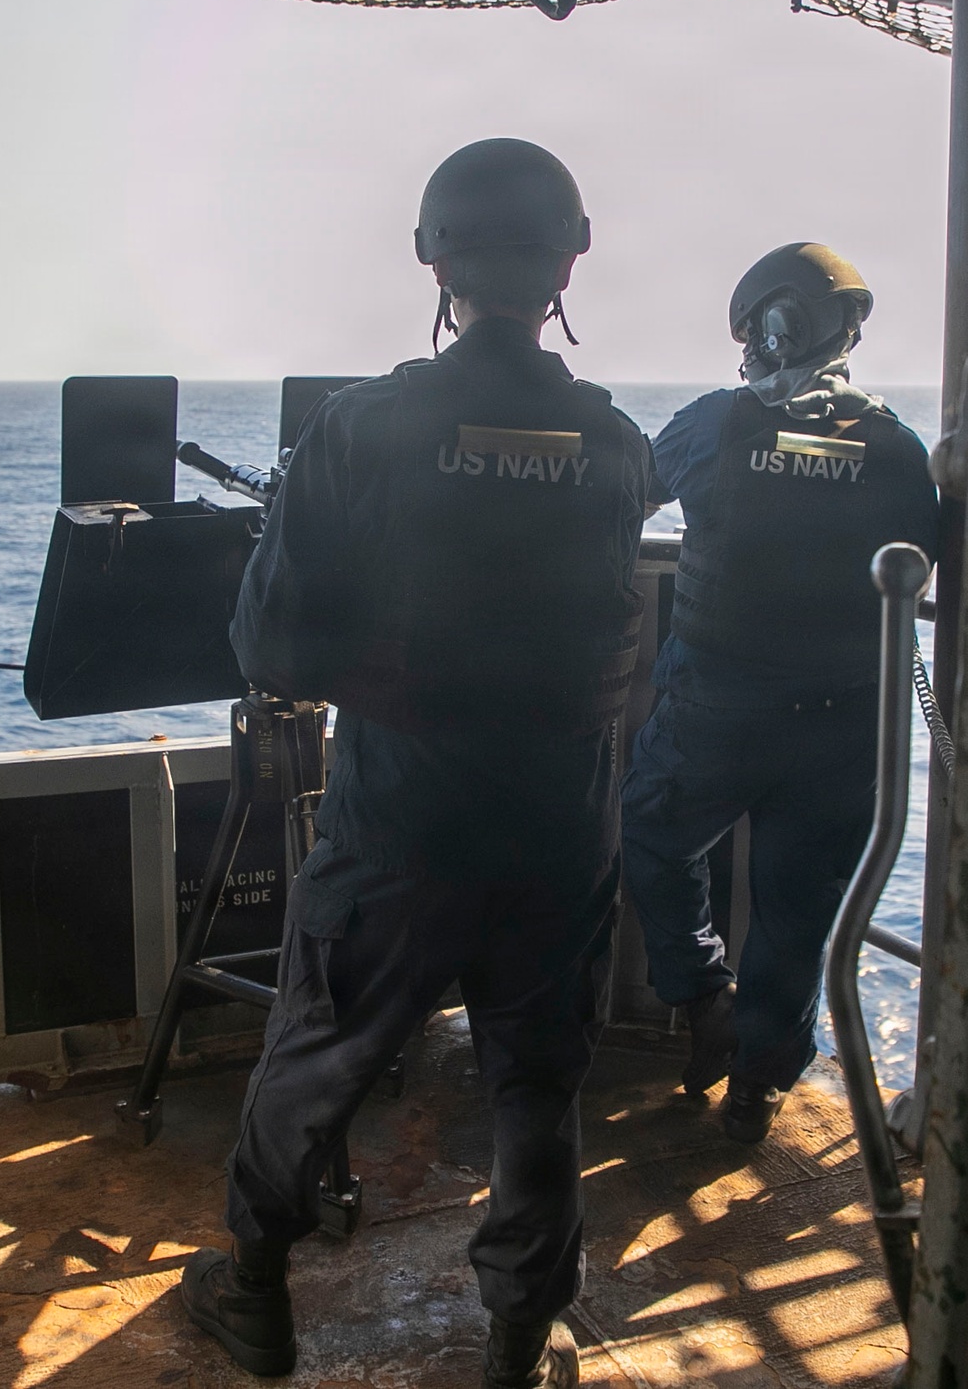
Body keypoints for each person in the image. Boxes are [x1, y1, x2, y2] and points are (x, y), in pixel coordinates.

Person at [180, 138, 651, 1384]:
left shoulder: (364, 426)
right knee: (536, 1085)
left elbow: (271, 647)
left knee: (321, 1051)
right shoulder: (618, 443)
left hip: (404, 824)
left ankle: (255, 1291)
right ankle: (516, 1343)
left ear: (434, 262)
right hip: (561, 829)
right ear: (568, 263)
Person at [620, 242, 939, 1144]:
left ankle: (701, 996)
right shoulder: (896, 448)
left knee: (651, 832)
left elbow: (629, 497)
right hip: (845, 729)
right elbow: (924, 558)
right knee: (799, 914)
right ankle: (758, 1087)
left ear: (768, 328)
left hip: (715, 712)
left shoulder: (715, 423)